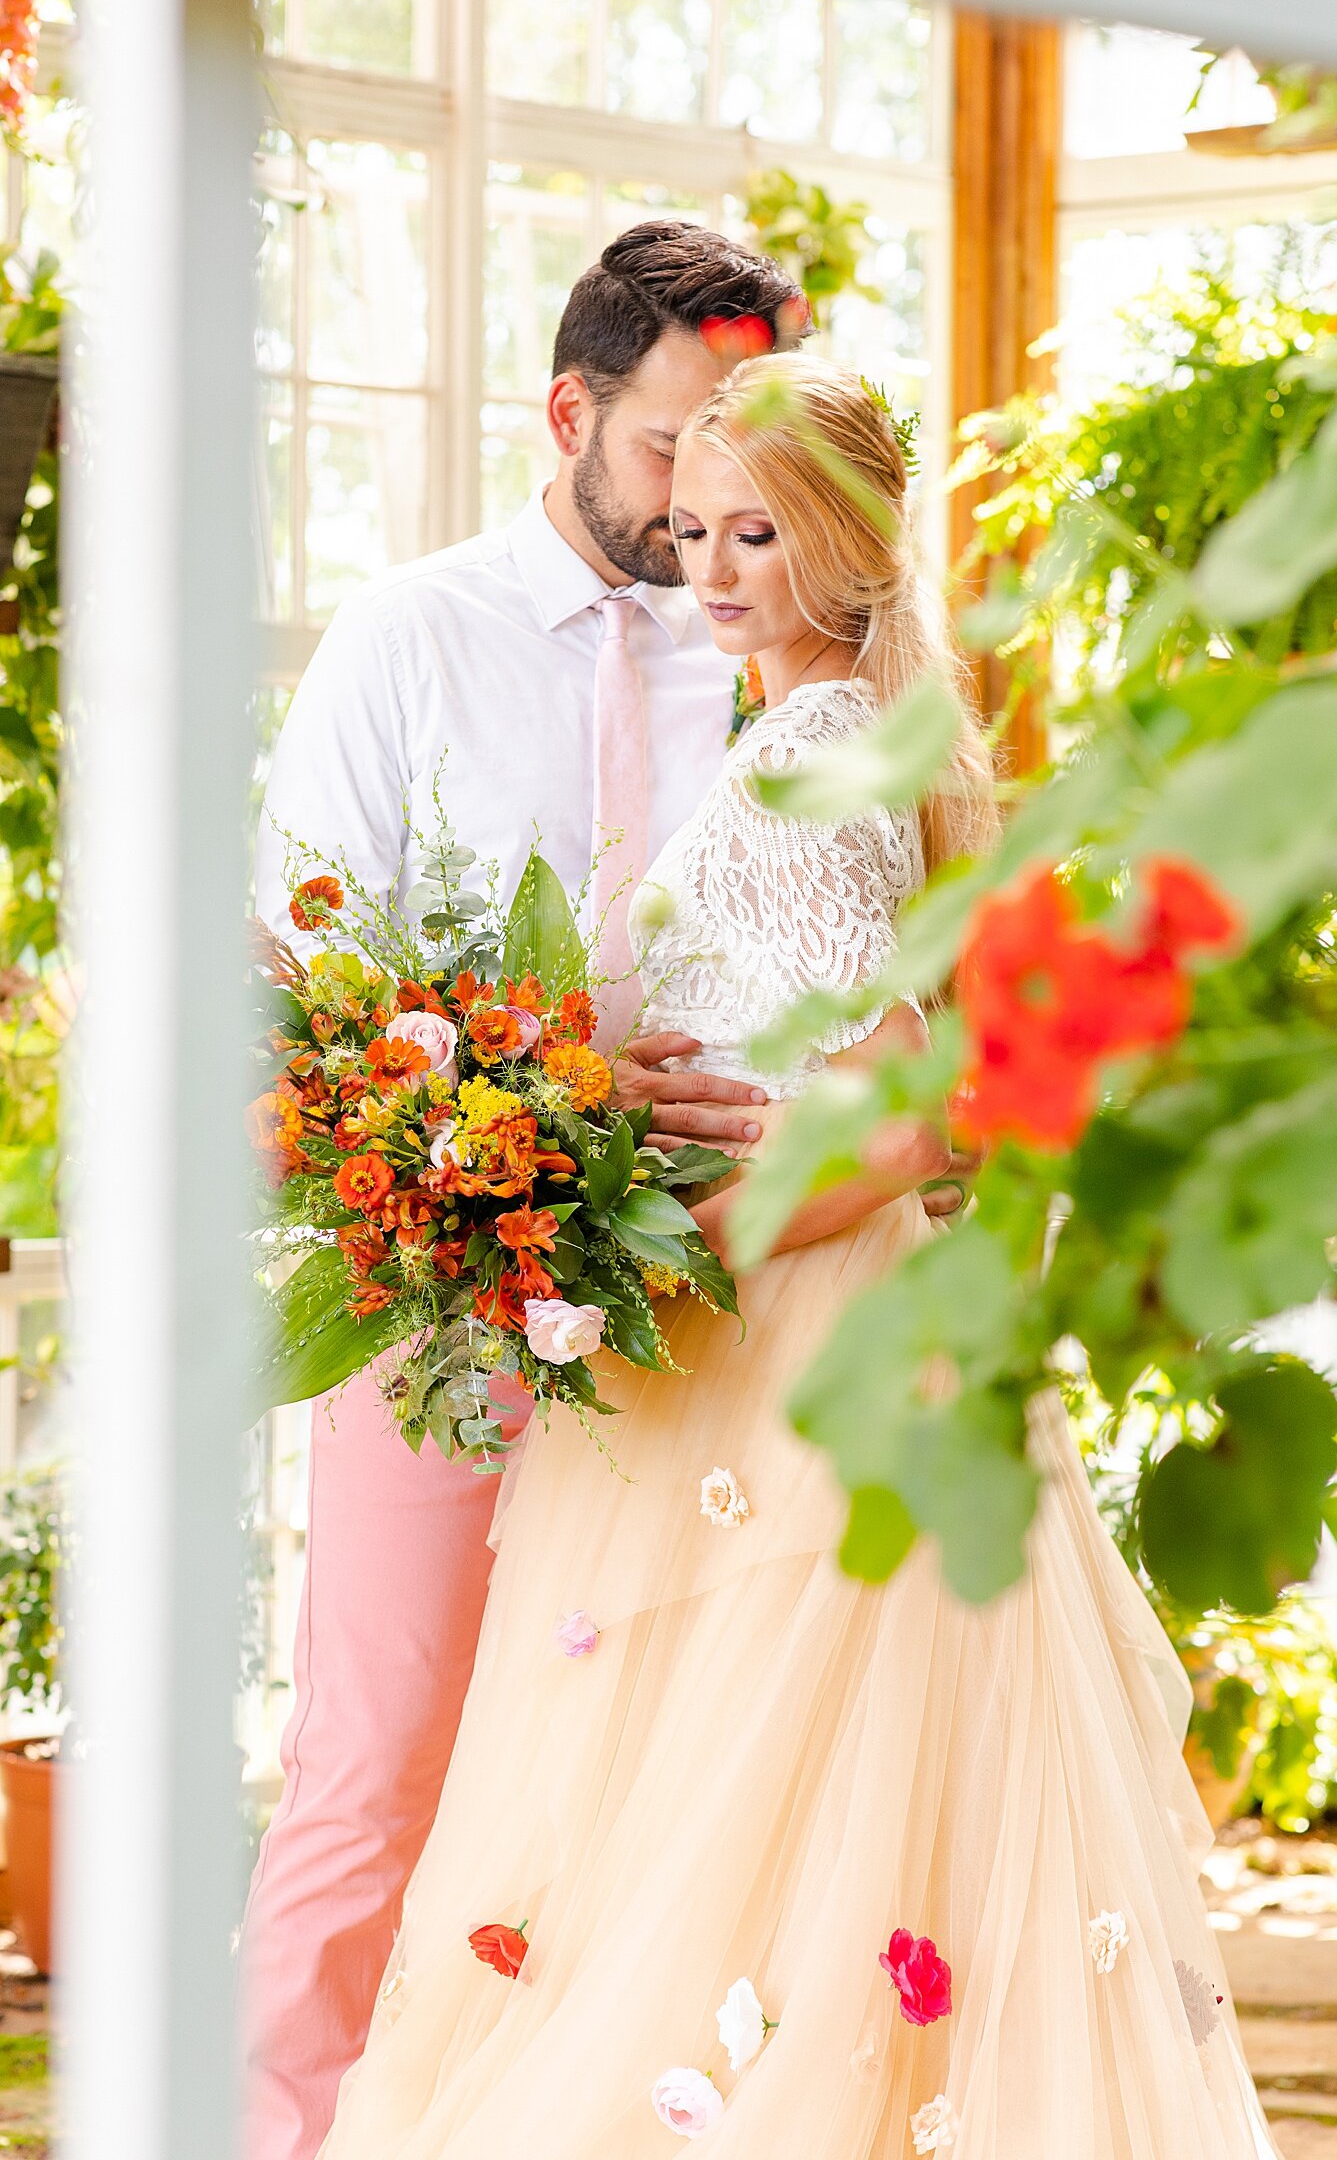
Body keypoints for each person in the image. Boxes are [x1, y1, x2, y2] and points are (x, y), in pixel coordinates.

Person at [314, 359, 1281, 2158]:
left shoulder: (813, 741)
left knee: (742, 1801)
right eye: (694, 532)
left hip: (792, 1322)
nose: (716, 570)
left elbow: (906, 1099)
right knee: (803, 1822)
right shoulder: (862, 732)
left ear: (844, 542)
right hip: (821, 1318)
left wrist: (678, 1255)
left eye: (758, 533)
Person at [241, 218, 813, 2160]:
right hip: (438, 1294)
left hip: (704, 1310)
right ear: (569, 414)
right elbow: (302, 997)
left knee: (630, 1791)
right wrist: (542, 1083)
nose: (717, 502)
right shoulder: (411, 639)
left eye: (755, 458)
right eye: (675, 449)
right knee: (378, 1761)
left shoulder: (771, 660)